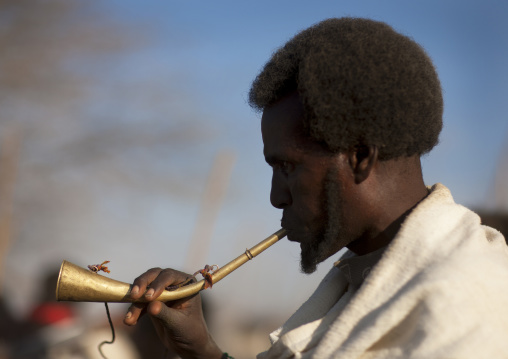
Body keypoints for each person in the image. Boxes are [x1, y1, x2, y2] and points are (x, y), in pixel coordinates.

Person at [123, 18, 508, 358]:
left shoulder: (465, 305)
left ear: (359, 156)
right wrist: (202, 351)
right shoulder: (360, 281)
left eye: (288, 167)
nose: (276, 196)